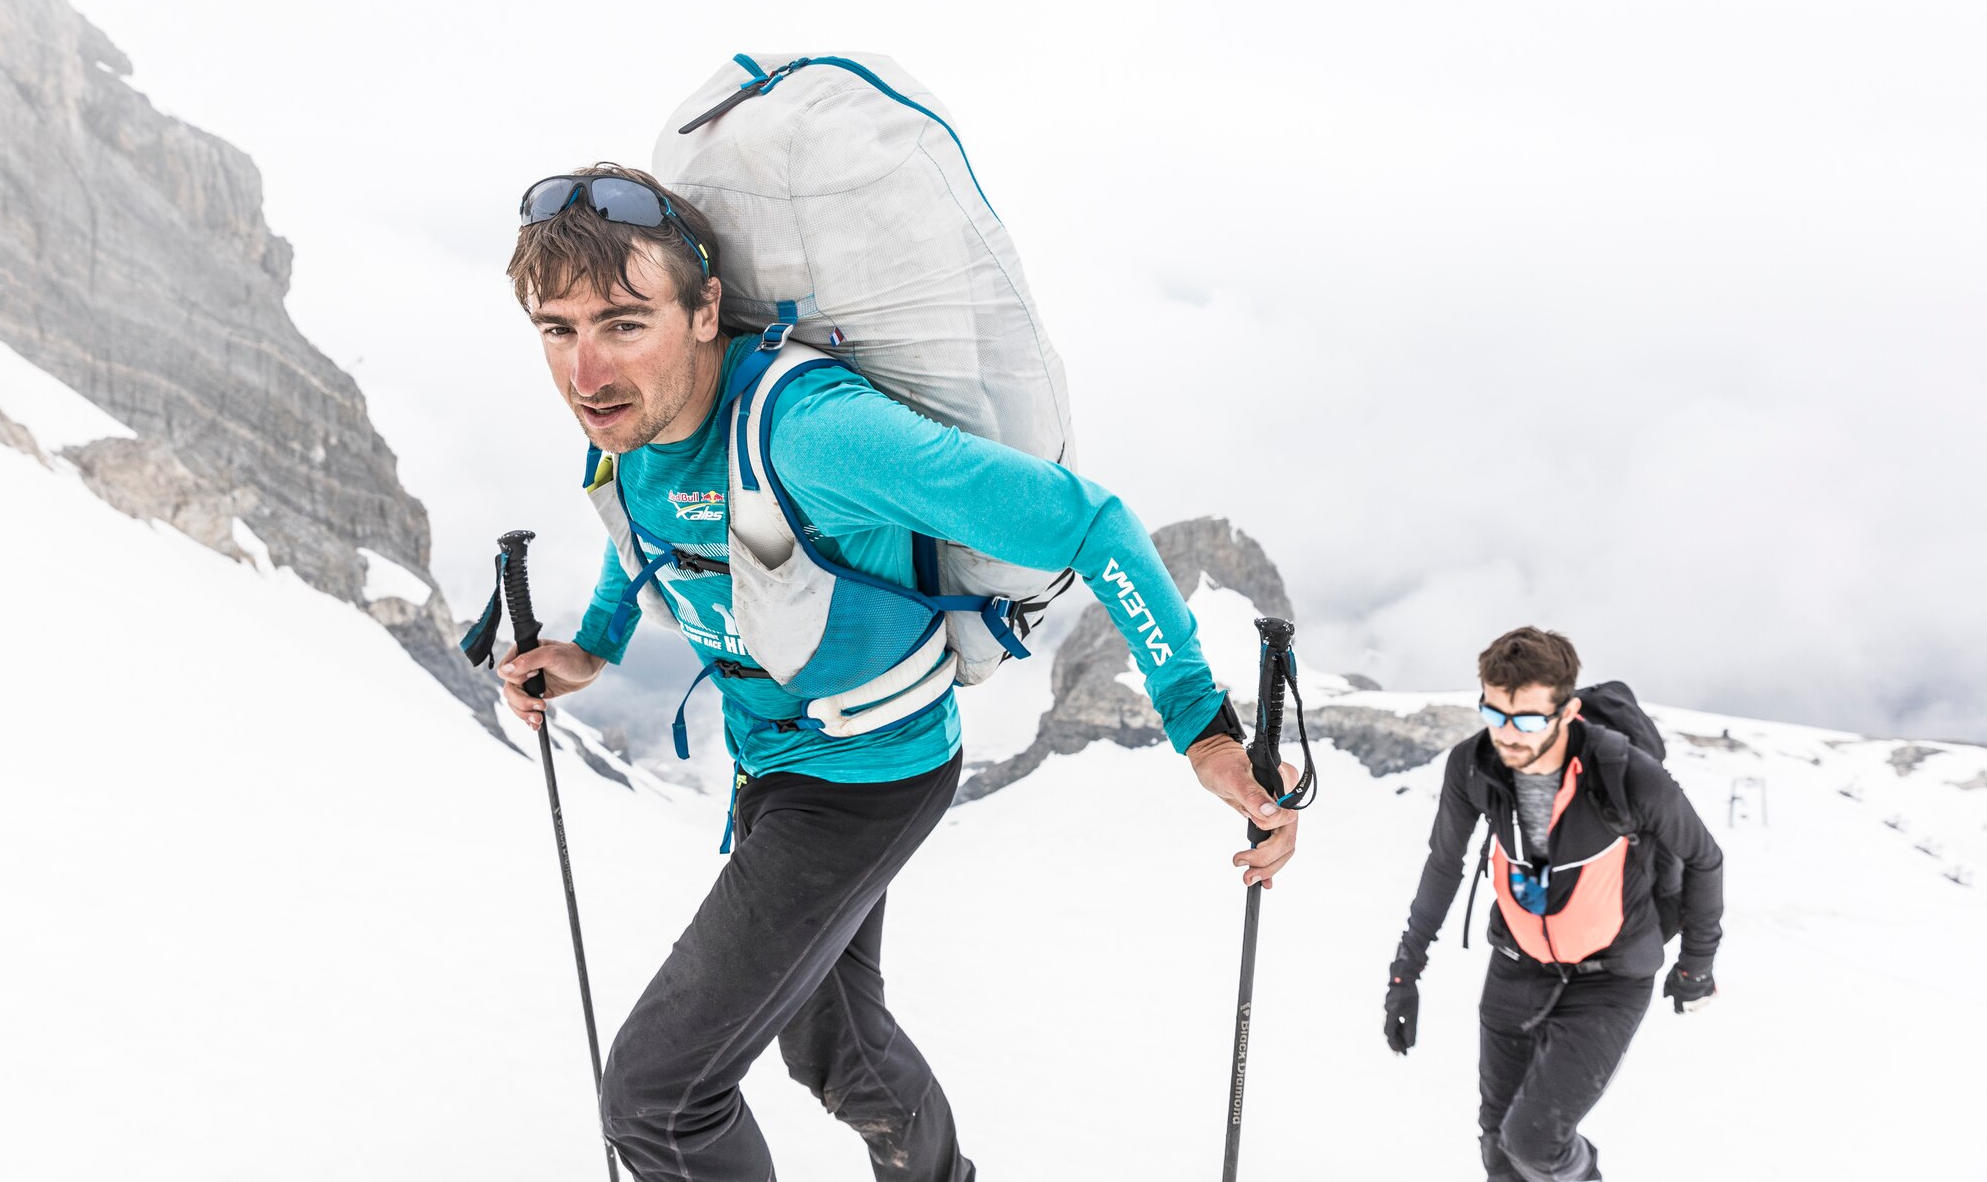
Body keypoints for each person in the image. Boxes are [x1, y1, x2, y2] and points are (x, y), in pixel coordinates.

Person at [489, 165, 1300, 1182]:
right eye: (556, 331)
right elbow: (640, 523)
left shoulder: (818, 435)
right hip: (776, 767)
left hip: (862, 783)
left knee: (658, 1100)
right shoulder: (635, 430)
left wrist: (1203, 725)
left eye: (621, 323)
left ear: (703, 312)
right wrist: (593, 648)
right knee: (830, 1043)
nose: (585, 372)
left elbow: (1089, 523)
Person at [1383, 626, 1723, 1182]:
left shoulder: (1624, 773)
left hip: (1610, 975)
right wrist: (1405, 972)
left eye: (1528, 720)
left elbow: (1706, 859)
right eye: (1495, 715)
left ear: (1566, 713)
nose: (1508, 737)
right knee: (1497, 1148)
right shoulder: (1473, 766)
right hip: (1517, 965)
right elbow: (1444, 865)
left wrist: (1698, 965)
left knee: (1535, 1142)